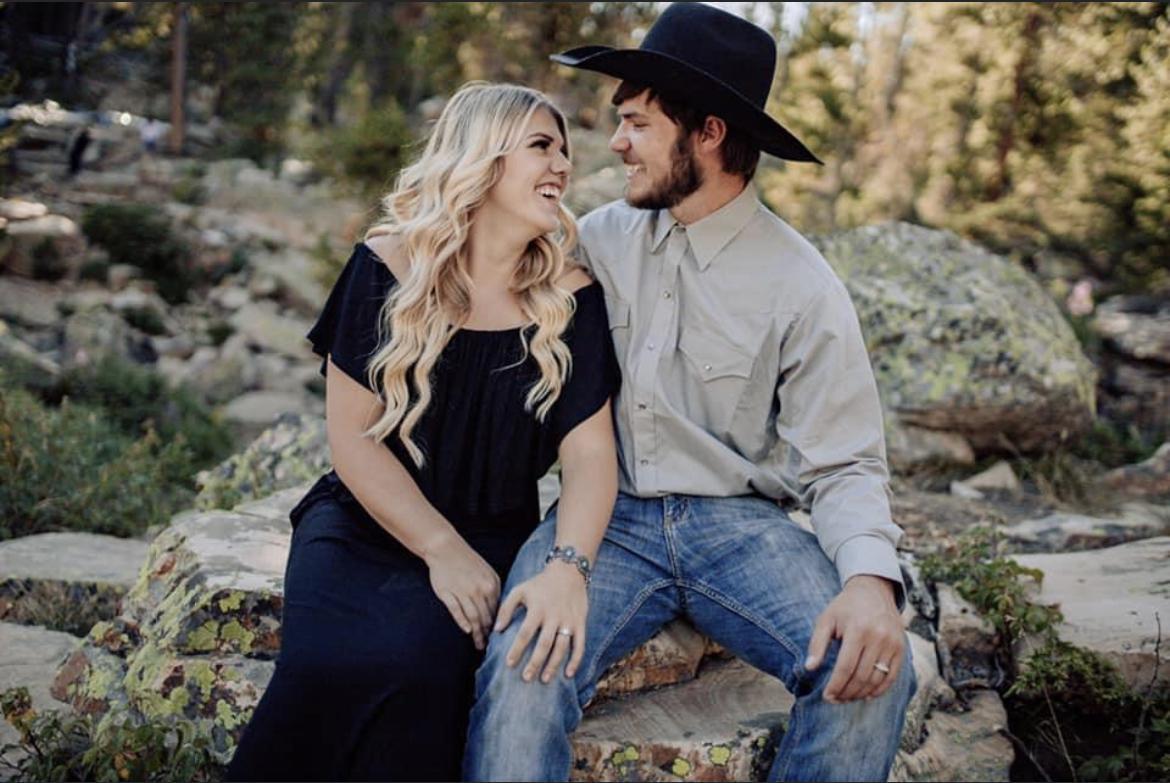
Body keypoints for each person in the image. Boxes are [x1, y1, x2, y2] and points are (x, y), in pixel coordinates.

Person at [465, 5, 915, 782]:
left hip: (739, 528)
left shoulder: (802, 284)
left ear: (707, 133)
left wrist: (872, 583)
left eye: (637, 123)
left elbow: (844, 462)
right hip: (606, 520)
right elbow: (475, 269)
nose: (616, 143)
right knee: (523, 664)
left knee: (873, 673)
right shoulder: (594, 240)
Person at [224, 82, 620, 782]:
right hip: (364, 523)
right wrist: (440, 549)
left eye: (564, 150)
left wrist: (568, 567)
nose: (562, 164)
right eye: (541, 146)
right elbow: (353, 441)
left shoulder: (572, 296)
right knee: (322, 665)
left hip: (491, 537)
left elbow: (590, 455)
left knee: (421, 668)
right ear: (482, 157)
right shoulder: (387, 266)